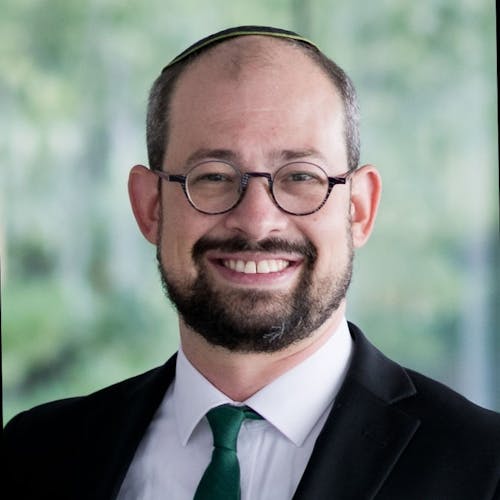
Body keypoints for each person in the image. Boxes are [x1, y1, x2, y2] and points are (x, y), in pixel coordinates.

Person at [3, 26, 500, 500]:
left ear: (359, 209)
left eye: (300, 176)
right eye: (213, 176)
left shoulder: (485, 466)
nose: (258, 222)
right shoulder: (33, 454)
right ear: (150, 206)